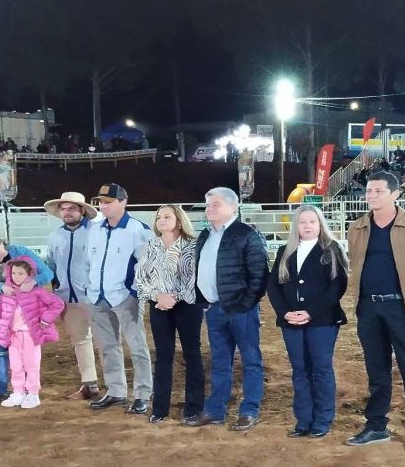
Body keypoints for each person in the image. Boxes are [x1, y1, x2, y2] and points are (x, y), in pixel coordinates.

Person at [344, 171, 405, 452]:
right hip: (369, 307)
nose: (371, 195)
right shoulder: (357, 228)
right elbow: (355, 263)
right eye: (369, 191)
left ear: (396, 194)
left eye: (378, 191)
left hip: (403, 307)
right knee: (376, 369)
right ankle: (376, 425)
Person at [185, 187, 270, 431]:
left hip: (240, 310)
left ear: (233, 207)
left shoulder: (247, 234)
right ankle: (215, 410)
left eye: (216, 204)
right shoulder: (205, 235)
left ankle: (249, 410)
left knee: (251, 360)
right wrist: (205, 301)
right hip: (214, 309)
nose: (210, 208)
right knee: (220, 361)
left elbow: (259, 274)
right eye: (208, 204)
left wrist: (244, 304)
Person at [267, 205, 349, 439]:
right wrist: (284, 312)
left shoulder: (331, 250)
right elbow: (273, 286)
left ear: (320, 224)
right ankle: (303, 419)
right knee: (300, 370)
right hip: (290, 321)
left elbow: (337, 286)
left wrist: (310, 312)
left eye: (312, 221)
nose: (307, 226)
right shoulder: (285, 251)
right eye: (303, 222)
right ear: (296, 225)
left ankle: (322, 419)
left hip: (322, 320)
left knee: (321, 369)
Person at [82, 183, 155, 413]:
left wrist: (134, 292)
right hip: (97, 296)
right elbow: (88, 262)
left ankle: (143, 393)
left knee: (137, 346)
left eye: (109, 202)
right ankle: (116, 391)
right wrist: (89, 287)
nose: (104, 206)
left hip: (125, 297)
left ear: (123, 202)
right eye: (101, 202)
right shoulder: (94, 229)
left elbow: (148, 265)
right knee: (107, 347)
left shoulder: (138, 230)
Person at [135, 204, 205, 424]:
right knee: (163, 356)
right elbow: (140, 280)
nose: (162, 220)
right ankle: (160, 408)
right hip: (158, 306)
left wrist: (171, 298)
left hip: (187, 305)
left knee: (191, 354)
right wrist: (157, 296)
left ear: (179, 219)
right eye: (159, 217)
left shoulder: (192, 246)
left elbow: (194, 278)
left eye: (167, 216)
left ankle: (193, 407)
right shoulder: (150, 246)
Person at [44, 191, 101, 401]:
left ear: (82, 210)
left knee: (105, 342)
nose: (66, 212)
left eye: (71, 208)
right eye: (63, 208)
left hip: (94, 296)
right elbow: (51, 264)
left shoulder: (97, 232)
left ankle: (115, 387)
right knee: (80, 341)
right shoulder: (55, 235)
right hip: (66, 297)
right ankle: (90, 384)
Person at [0, 258, 65, 409]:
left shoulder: (37, 291)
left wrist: (46, 320)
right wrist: (1, 323)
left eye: (21, 273)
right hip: (13, 335)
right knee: (15, 365)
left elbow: (57, 304)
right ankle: (18, 392)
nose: (16, 276)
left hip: (30, 336)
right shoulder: (7, 292)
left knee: (31, 365)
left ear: (29, 274)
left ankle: (33, 393)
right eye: (13, 273)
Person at [0, 230, 53, 296]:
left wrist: (33, 282)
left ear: (1, 243)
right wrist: (1, 287)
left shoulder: (21, 251)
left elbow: (48, 273)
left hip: (25, 293)